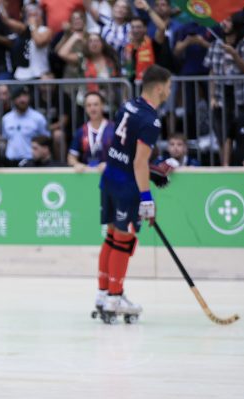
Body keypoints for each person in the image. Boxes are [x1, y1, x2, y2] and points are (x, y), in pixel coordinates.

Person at [95, 64, 171, 322]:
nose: (170, 92)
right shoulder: (151, 120)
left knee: (112, 237)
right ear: (159, 87)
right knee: (125, 239)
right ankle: (115, 298)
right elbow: (139, 163)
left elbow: (127, 152)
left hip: (109, 179)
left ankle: (104, 294)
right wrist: (146, 198)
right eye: (169, 87)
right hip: (126, 186)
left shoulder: (127, 106)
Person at [0, 86, 49, 166]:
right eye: (19, 96)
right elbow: (5, 139)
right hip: (10, 161)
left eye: (25, 96)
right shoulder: (6, 118)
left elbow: (45, 139)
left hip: (31, 162)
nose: (23, 99)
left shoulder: (38, 118)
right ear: (13, 99)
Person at [68, 91, 115, 172]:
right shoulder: (81, 131)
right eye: (89, 105)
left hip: (110, 175)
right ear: (85, 108)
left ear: (102, 106)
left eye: (96, 104)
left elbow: (124, 154)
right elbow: (71, 157)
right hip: (87, 177)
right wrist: (76, 164)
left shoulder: (114, 129)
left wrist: (111, 164)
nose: (92, 108)